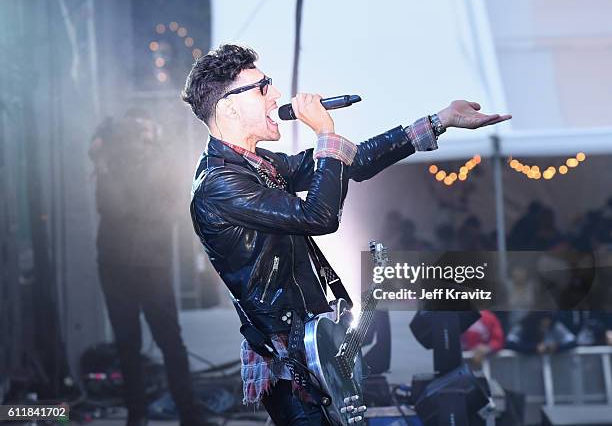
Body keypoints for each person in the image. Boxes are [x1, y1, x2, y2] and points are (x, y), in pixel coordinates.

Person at [182, 44, 511, 425]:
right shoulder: (220, 183)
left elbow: (355, 160)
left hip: (311, 341)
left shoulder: (258, 164)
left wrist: (441, 120)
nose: (275, 96)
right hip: (288, 360)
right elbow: (319, 215)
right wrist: (324, 131)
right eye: (262, 87)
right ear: (229, 106)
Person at [90, 110, 210, 426]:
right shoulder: (111, 161)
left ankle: (187, 413)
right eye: (137, 131)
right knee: (129, 343)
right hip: (118, 263)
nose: (141, 138)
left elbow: (171, 209)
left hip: (147, 262)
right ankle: (139, 414)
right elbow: (113, 205)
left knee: (168, 341)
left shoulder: (156, 163)